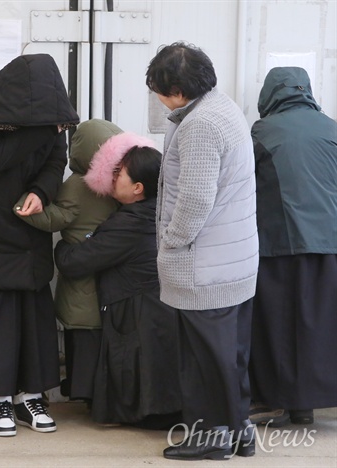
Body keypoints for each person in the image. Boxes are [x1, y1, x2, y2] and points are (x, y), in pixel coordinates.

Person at [0, 53, 79, 437]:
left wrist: (42, 191)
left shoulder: (52, 115)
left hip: (27, 223)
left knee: (32, 314)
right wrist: (46, 128)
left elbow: (58, 160)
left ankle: (30, 395)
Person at [145, 42, 259, 460]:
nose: (155, 96)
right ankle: (239, 431)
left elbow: (194, 201)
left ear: (176, 90)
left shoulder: (200, 126)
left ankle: (213, 438)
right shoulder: (221, 107)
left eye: (157, 87)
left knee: (204, 360)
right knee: (229, 354)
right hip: (232, 261)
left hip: (204, 265)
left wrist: (171, 241)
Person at [54, 142, 183, 428]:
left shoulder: (130, 223)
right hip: (161, 310)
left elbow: (75, 262)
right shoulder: (160, 212)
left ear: (137, 188)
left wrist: (64, 244)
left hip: (138, 314)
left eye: (119, 173)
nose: (112, 178)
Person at [248, 67, 337, 427]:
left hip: (279, 240)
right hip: (329, 242)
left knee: (279, 325)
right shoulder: (332, 128)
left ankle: (278, 400)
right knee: (319, 325)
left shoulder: (261, 131)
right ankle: (308, 405)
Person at [13, 119, 124, 404]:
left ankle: (85, 389)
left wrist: (22, 204)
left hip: (86, 277)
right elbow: (59, 217)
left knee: (87, 339)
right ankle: (90, 392)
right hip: (95, 279)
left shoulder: (89, 185)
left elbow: (57, 217)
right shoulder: (97, 185)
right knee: (91, 338)